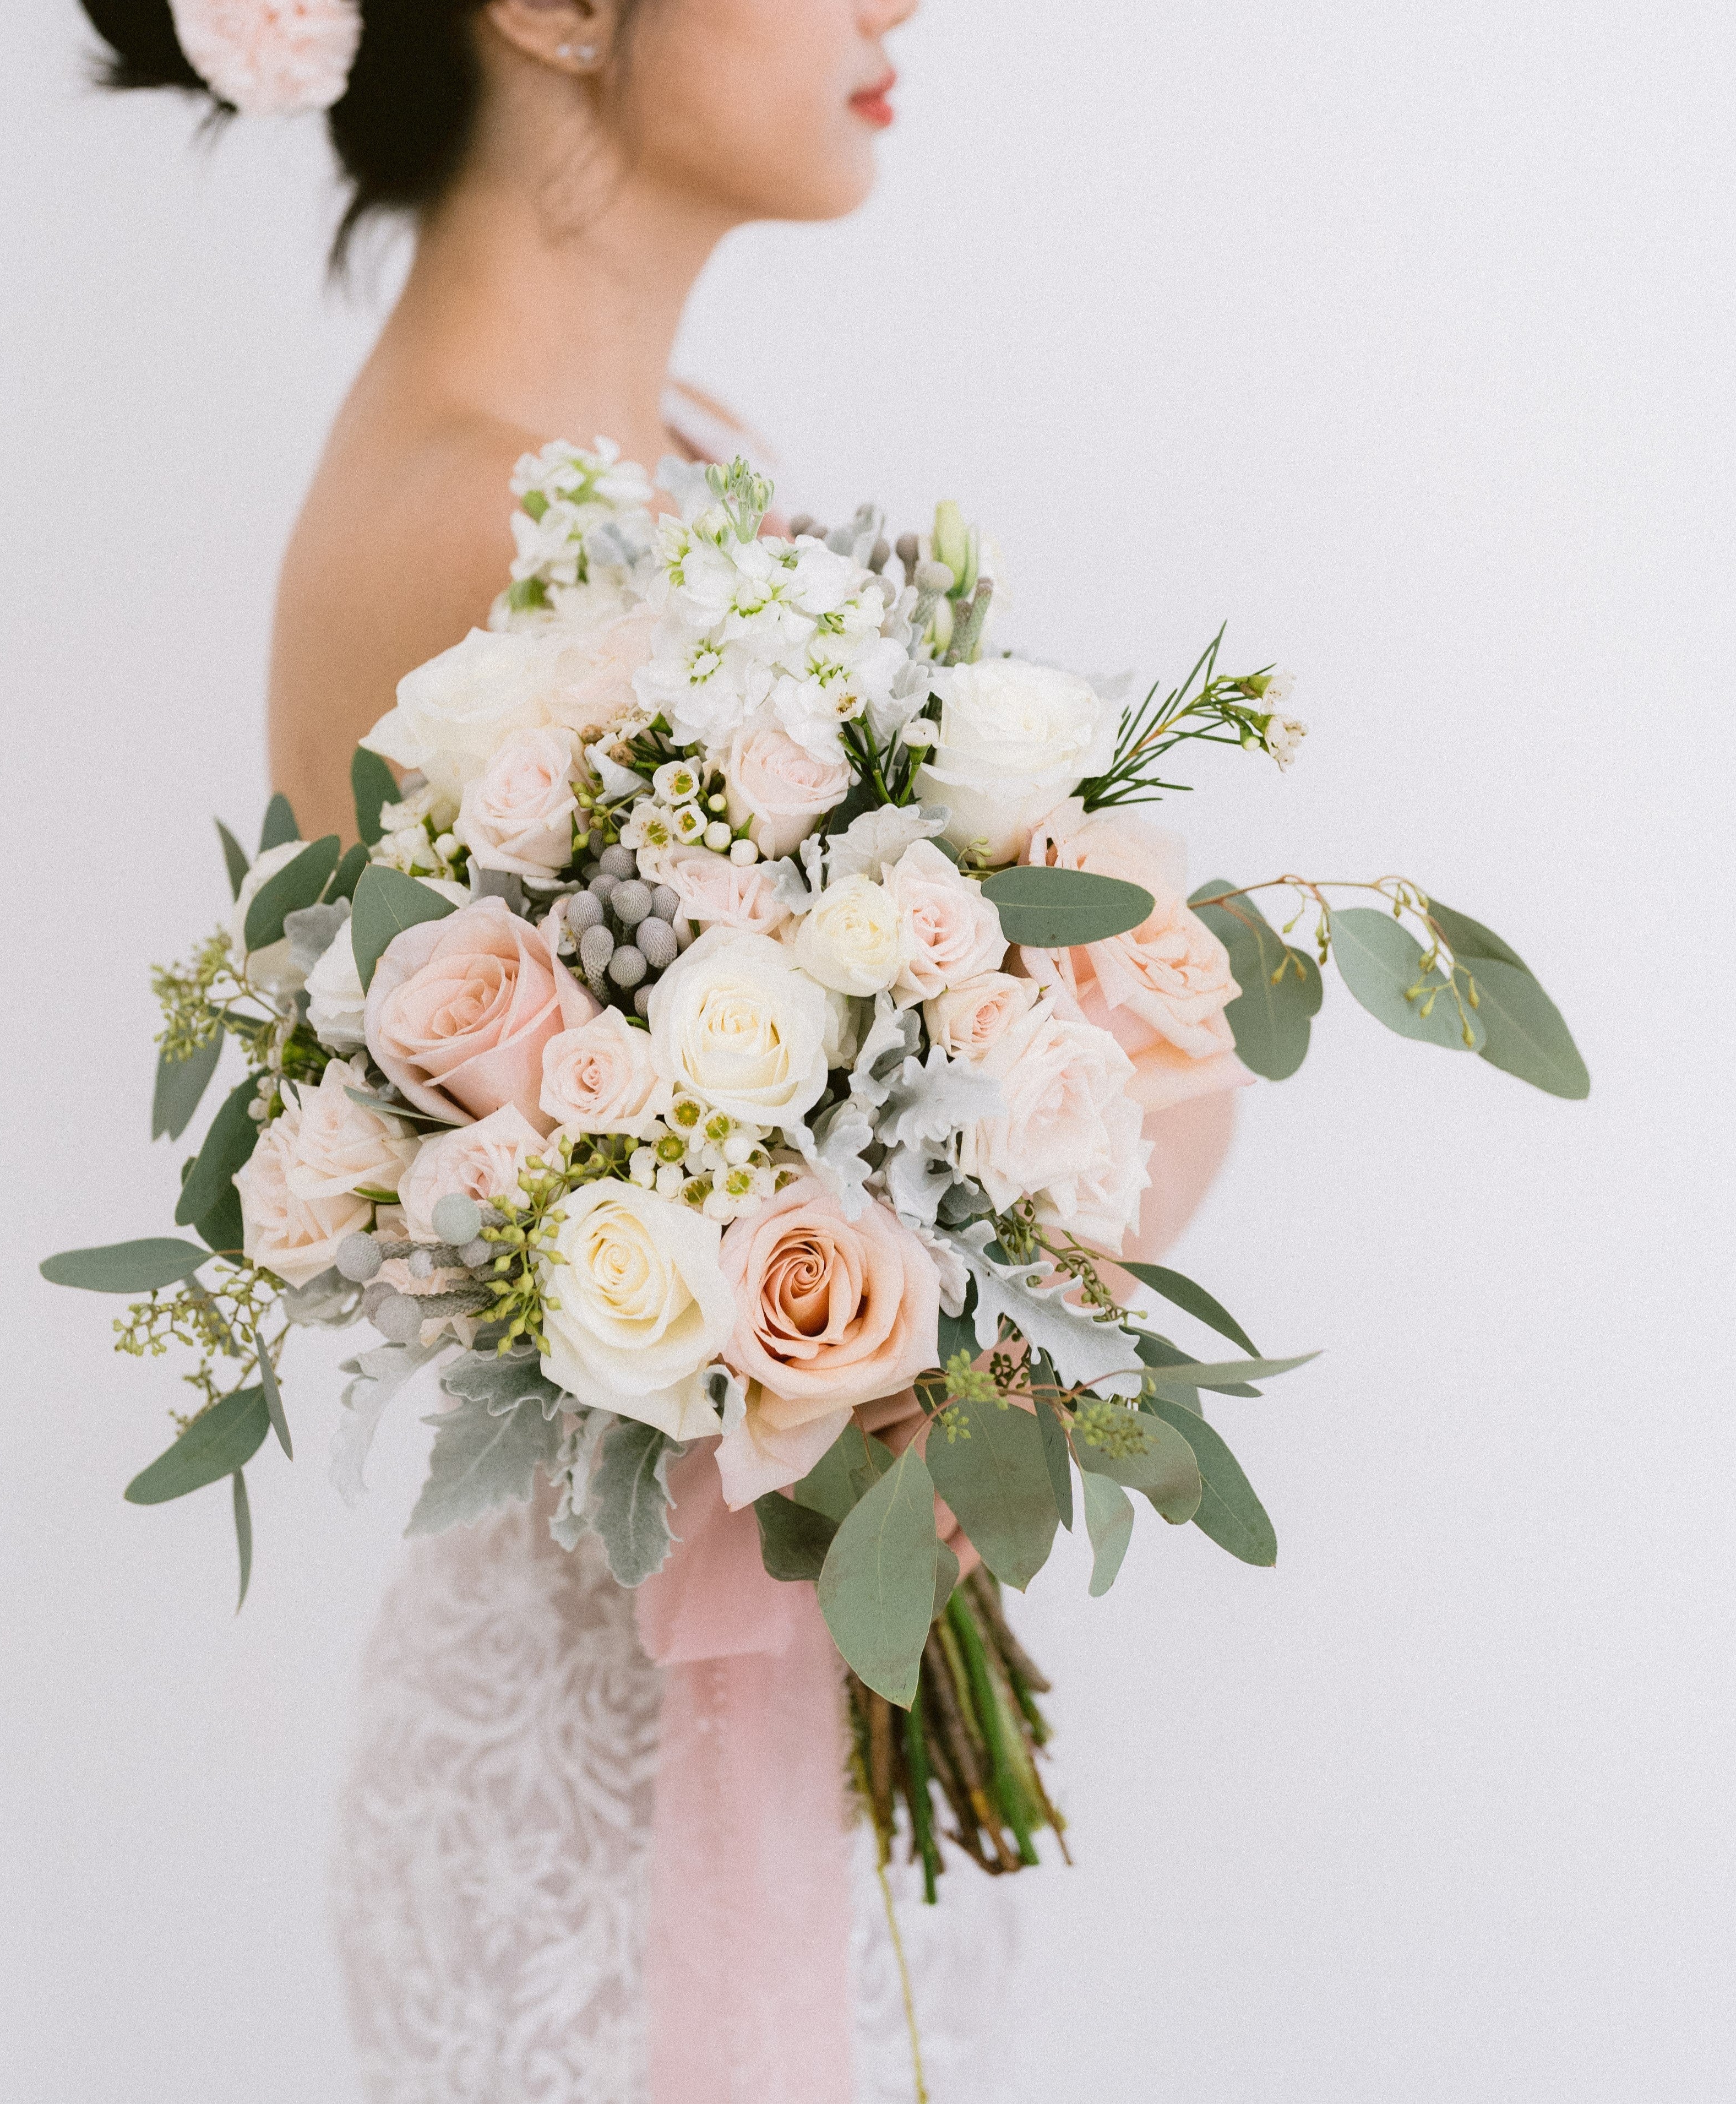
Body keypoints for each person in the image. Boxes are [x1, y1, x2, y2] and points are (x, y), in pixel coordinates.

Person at [77, 4, 1233, 2096]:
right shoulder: (483, 529)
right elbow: (709, 1243)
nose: (896, 6)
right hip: (638, 1811)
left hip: (764, 1708)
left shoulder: (663, 454)